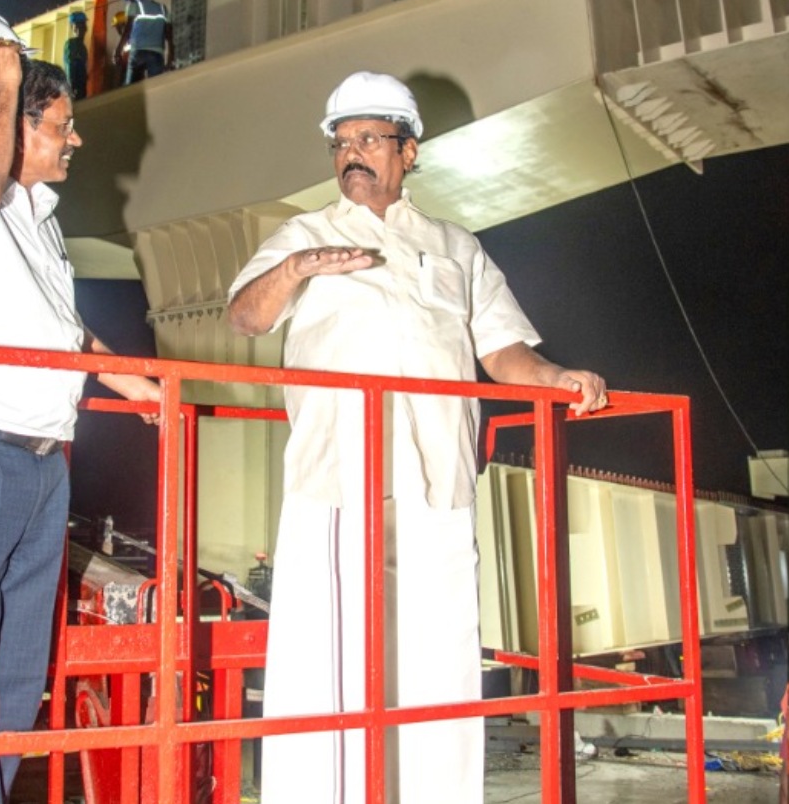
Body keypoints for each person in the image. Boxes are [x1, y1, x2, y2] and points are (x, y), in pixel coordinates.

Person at [227, 70, 608, 804]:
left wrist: (557, 376)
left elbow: (502, 351)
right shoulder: (305, 234)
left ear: (409, 151)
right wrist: (298, 267)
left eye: (371, 138)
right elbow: (247, 316)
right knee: (329, 663)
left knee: (439, 661)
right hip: (339, 482)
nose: (353, 153)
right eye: (342, 142)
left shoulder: (454, 247)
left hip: (436, 483)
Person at [0, 8, 160, 803]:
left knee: (20, 672)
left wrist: (127, 380)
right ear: (9, 122)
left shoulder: (38, 219)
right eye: (59, 125)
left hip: (42, 462)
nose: (75, 139)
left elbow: (58, 326)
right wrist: (3, 84)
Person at [115, 0, 173, 85]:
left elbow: (127, 30)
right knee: (156, 87)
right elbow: (169, 38)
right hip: (157, 55)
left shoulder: (134, 5)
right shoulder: (163, 8)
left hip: (138, 53)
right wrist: (169, 60)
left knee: (130, 89)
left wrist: (118, 51)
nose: (129, 0)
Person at [64, 12, 88, 100]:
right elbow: (71, 66)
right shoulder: (72, 44)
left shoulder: (82, 46)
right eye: (78, 27)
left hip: (81, 87)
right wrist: (73, 88)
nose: (81, 29)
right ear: (73, 28)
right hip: (76, 89)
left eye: (82, 26)